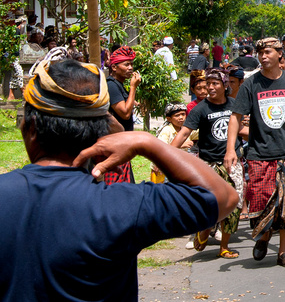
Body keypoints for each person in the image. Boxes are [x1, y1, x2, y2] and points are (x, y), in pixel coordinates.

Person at [0, 58, 237, 301]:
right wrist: (144, 142)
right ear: (104, 134)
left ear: (29, 128)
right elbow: (224, 196)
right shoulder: (122, 205)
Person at [225, 37, 285, 268]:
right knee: (262, 202)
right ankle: (264, 237)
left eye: (268, 52)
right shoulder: (250, 85)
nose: (263, 56)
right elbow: (235, 118)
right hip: (259, 154)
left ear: (279, 56)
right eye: (260, 52)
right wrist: (230, 149)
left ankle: (283, 252)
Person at [172, 68, 243, 259]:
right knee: (208, 203)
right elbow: (184, 132)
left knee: (234, 203)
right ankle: (205, 228)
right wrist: (167, 153)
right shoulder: (200, 109)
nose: (210, 88)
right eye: (207, 84)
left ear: (224, 85)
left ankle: (224, 246)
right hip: (208, 163)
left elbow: (241, 129)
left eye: (214, 84)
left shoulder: (235, 105)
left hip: (232, 161)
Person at [105, 45, 141, 184]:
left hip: (122, 145)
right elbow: (125, 113)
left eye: (131, 64)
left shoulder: (118, 84)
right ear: (114, 67)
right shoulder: (111, 85)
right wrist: (133, 87)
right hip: (116, 145)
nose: (130, 68)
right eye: (126, 64)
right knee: (118, 188)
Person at [151, 103, 192, 182]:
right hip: (164, 168)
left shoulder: (184, 129)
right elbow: (160, 148)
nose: (181, 118)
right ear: (169, 119)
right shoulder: (167, 130)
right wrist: (180, 145)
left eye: (183, 114)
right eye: (177, 115)